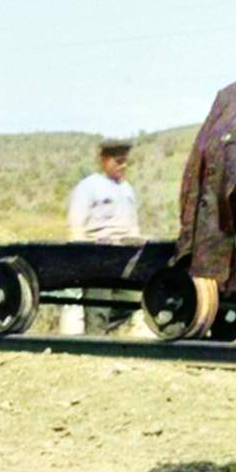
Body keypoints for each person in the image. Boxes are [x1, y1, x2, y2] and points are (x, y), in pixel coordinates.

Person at [60, 138, 144, 335]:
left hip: (124, 255)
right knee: (98, 303)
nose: (122, 166)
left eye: (125, 161)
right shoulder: (89, 186)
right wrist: (81, 254)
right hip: (97, 255)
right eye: (118, 161)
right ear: (104, 160)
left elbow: (132, 223)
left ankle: (96, 332)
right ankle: (94, 342)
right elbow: (76, 222)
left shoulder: (127, 189)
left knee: (131, 301)